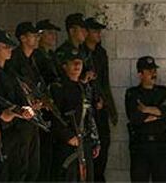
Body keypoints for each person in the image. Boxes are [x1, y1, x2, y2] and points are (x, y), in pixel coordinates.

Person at [0, 28, 35, 182]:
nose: (10, 50)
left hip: (16, 131)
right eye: (5, 47)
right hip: (1, 132)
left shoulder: (9, 71)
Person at [50, 47, 100, 182]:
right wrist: (67, 136)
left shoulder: (83, 87)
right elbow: (54, 116)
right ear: (65, 66)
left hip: (85, 143)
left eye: (80, 62)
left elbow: (89, 116)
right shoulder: (58, 88)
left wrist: (95, 140)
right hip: (68, 146)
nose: (77, 65)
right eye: (73, 62)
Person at [125, 56, 166, 183]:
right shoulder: (132, 93)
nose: (154, 74)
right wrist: (157, 113)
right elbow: (134, 117)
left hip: (160, 146)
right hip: (140, 146)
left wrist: (146, 109)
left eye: (154, 70)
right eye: (149, 71)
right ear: (140, 74)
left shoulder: (163, 92)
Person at [7, 22, 42, 182]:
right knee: (20, 167)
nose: (37, 39)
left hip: (32, 119)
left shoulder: (32, 60)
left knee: (32, 167)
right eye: (33, 35)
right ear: (22, 38)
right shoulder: (13, 60)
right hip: (19, 122)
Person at [84, 17, 118, 183]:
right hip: (87, 110)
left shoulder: (101, 53)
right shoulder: (80, 52)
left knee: (104, 143)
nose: (99, 34)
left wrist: (108, 105)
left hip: (100, 106)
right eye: (95, 31)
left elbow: (105, 82)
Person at [33, 18, 61, 182]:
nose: (53, 36)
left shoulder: (51, 55)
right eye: (49, 33)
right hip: (42, 111)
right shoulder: (37, 56)